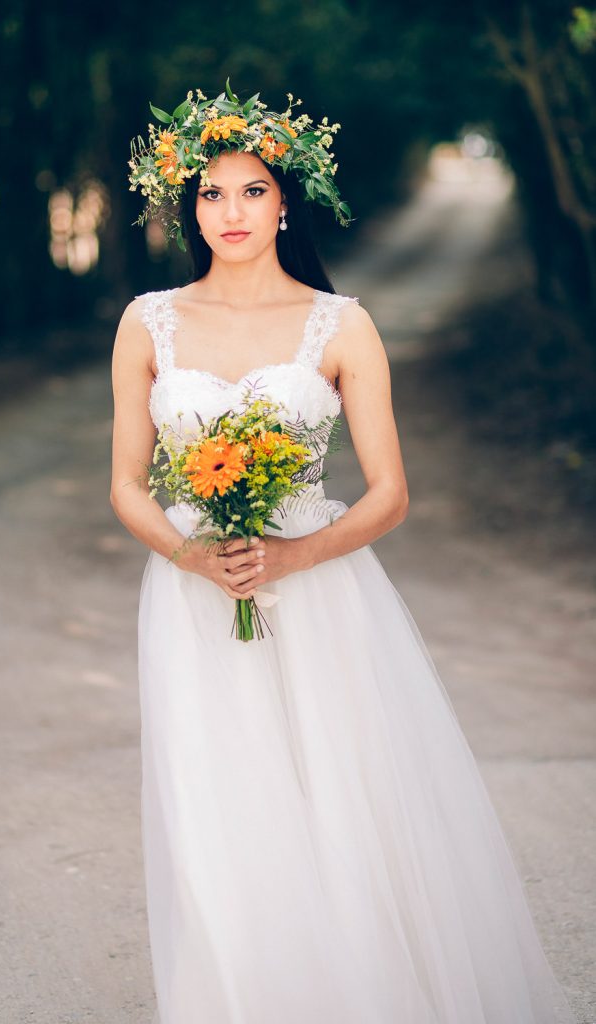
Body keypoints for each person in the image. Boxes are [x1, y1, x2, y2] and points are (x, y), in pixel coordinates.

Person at [109, 85, 576, 1024]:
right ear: (187, 208)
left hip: (318, 592)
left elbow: (390, 492)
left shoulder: (341, 323)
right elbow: (125, 484)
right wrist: (191, 557)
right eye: (211, 193)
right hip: (193, 596)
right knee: (218, 811)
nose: (231, 212)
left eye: (252, 191)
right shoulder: (148, 321)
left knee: (339, 803)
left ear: (285, 202)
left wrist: (293, 557)